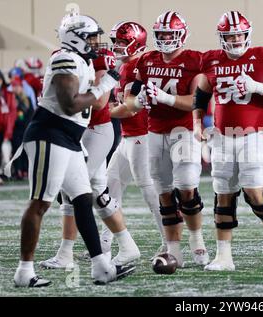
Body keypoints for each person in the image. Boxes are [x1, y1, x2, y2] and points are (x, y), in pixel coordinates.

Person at [12, 11, 134, 287]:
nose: (96, 43)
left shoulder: (81, 61)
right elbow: (69, 104)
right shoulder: (64, 58)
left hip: (69, 139)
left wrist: (102, 83)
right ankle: (24, 271)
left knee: (82, 199)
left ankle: (101, 267)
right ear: (75, 38)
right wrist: (104, 84)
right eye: (90, 38)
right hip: (49, 135)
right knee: (41, 202)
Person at [193, 11, 263, 271]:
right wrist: (197, 121)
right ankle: (224, 256)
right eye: (230, 35)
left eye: (238, 34)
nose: (235, 39)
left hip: (255, 133)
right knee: (222, 192)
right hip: (223, 135)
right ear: (221, 37)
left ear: (247, 34)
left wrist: (258, 87)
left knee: (254, 192)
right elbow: (201, 94)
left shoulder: (262, 56)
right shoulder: (211, 60)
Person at [39, 44, 140, 269]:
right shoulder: (65, 58)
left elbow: (100, 102)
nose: (94, 41)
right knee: (98, 194)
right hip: (80, 130)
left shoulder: (98, 60)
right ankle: (128, 245)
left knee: (72, 191)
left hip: (96, 131)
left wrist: (70, 96)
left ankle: (65, 254)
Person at [126, 11, 208, 267]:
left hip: (182, 130)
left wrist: (166, 98)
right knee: (163, 192)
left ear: (181, 35)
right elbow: (131, 95)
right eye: (161, 34)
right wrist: (136, 100)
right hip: (154, 131)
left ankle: (197, 239)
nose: (164, 39)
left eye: (169, 34)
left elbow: (197, 99)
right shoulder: (146, 60)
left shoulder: (194, 60)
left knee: (186, 187)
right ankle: (173, 250)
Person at [104, 21, 166, 259]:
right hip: (128, 136)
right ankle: (105, 244)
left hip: (143, 136)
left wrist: (102, 112)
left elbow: (129, 110)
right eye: (116, 42)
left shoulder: (139, 66)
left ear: (135, 41)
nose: (117, 46)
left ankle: (169, 243)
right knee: (109, 188)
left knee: (149, 192)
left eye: (121, 41)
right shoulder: (122, 67)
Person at [0, 69, 17, 184]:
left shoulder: (8, 95)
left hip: (4, 130)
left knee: (4, 154)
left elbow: (12, 113)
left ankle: (2, 173)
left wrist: (8, 132)